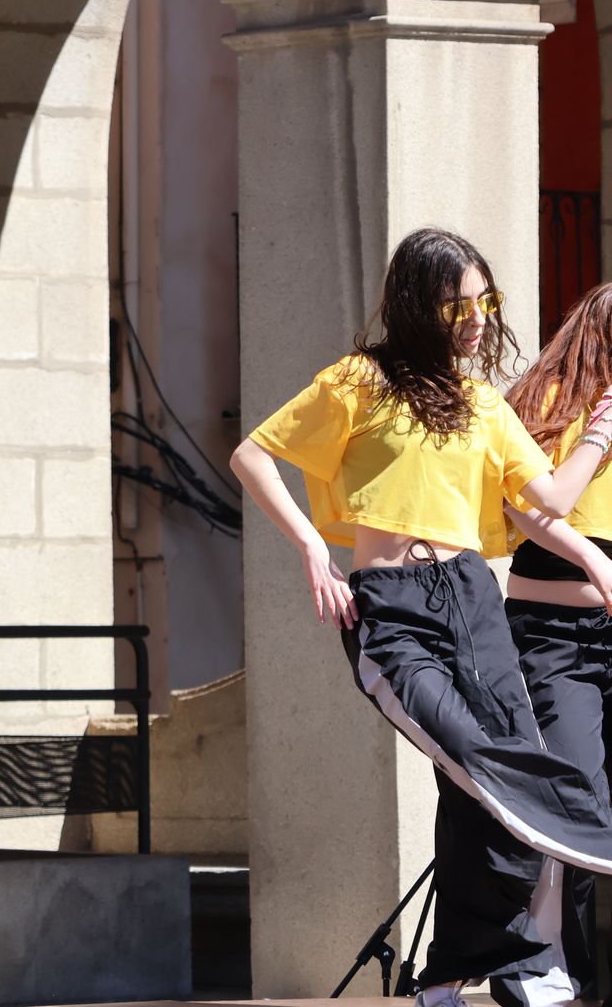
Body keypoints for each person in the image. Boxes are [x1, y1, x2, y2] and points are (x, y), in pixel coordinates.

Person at [228, 228, 612, 1007]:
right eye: (457, 305)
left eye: (485, 302)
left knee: (482, 773)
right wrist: (310, 547)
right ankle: (583, 861)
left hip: (473, 596)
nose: (475, 318)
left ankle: (472, 968)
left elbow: (536, 504)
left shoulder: (479, 403)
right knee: (476, 757)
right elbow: (252, 456)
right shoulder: (359, 381)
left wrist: (595, 558)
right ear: (416, 305)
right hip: (394, 610)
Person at [500, 283, 612, 1006]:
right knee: (578, 807)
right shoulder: (546, 406)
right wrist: (601, 435)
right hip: (558, 639)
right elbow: (535, 507)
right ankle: (549, 967)